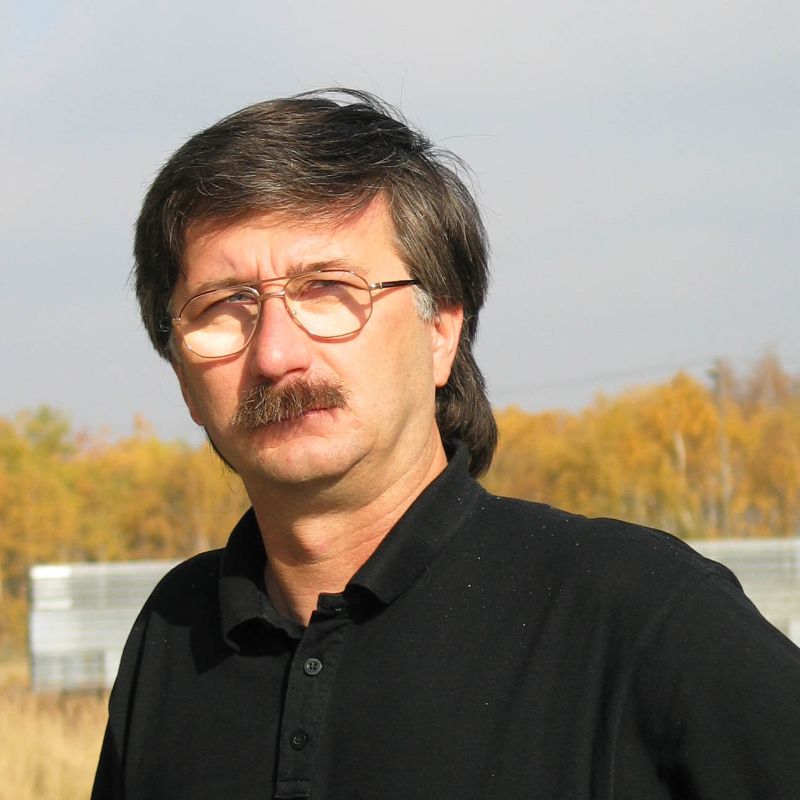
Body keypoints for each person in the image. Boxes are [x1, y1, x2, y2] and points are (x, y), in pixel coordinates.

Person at [92, 89, 800, 800]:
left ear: (441, 332)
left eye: (328, 289)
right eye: (222, 305)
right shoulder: (175, 634)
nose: (276, 355)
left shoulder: (636, 613)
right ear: (182, 378)